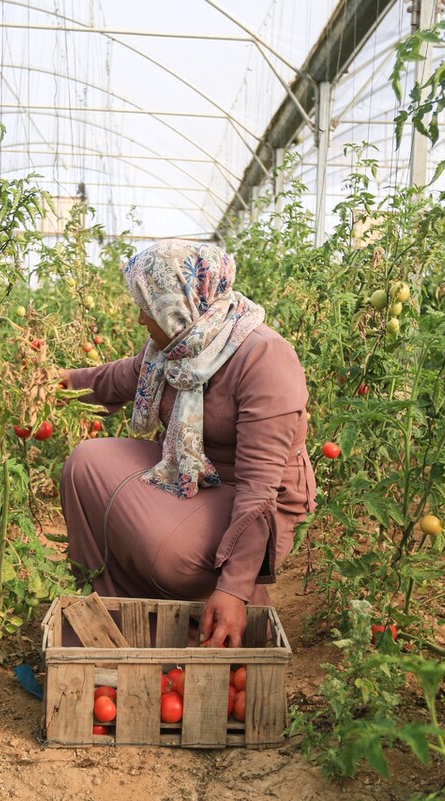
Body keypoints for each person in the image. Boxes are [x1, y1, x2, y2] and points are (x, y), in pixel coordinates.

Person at [59, 239, 316, 648]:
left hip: (253, 498)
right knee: (86, 462)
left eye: (148, 305)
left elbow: (259, 488)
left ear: (179, 301)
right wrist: (58, 383)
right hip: (190, 471)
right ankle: (117, 617)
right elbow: (119, 378)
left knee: (167, 554)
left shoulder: (264, 358)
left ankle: (227, 610)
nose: (143, 319)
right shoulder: (176, 348)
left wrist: (233, 588)